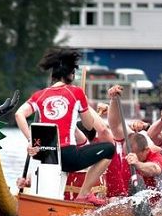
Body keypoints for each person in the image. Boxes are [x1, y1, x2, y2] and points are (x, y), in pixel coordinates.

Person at [15, 48, 114, 206]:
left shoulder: (39, 95)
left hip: (45, 155)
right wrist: (85, 104)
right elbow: (89, 125)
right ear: (71, 75)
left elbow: (19, 115)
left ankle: (38, 197)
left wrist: (31, 141)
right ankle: (83, 194)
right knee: (109, 149)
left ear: (53, 75)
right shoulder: (77, 92)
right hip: (68, 157)